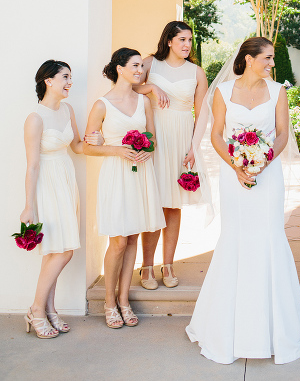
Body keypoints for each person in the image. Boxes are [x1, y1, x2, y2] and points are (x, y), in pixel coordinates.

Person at [186, 37, 300, 364]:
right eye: (267, 58)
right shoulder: (224, 92)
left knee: (269, 236)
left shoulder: (278, 91)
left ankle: (273, 329)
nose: (272, 63)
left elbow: (283, 133)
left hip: (268, 175)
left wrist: (263, 161)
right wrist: (238, 167)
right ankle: (229, 328)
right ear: (249, 59)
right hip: (233, 175)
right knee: (236, 238)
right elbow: (216, 134)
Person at [82, 48, 165, 330]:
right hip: (116, 175)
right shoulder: (101, 105)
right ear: (119, 68)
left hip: (140, 174)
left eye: (141, 66)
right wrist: (117, 150)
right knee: (117, 240)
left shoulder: (144, 101)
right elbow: (87, 148)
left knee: (132, 239)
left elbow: (152, 137)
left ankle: (124, 300)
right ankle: (108, 303)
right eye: (135, 65)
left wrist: (147, 150)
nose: (140, 70)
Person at [132, 21, 209, 290]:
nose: (187, 45)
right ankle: (147, 266)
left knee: (173, 205)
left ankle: (168, 264)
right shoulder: (150, 63)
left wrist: (193, 148)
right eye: (181, 40)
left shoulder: (197, 73)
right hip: (155, 136)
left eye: (189, 40)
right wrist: (152, 87)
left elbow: (202, 115)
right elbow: (129, 89)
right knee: (155, 202)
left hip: (181, 139)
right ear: (169, 41)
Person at [20, 61, 83, 338]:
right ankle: (36, 309)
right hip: (47, 183)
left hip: (67, 179)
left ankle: (49, 308)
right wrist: (28, 205)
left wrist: (105, 140)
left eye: (70, 77)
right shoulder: (35, 118)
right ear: (48, 80)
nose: (70, 82)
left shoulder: (68, 110)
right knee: (62, 250)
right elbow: (32, 165)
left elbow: (78, 146)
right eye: (65, 77)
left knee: (57, 250)